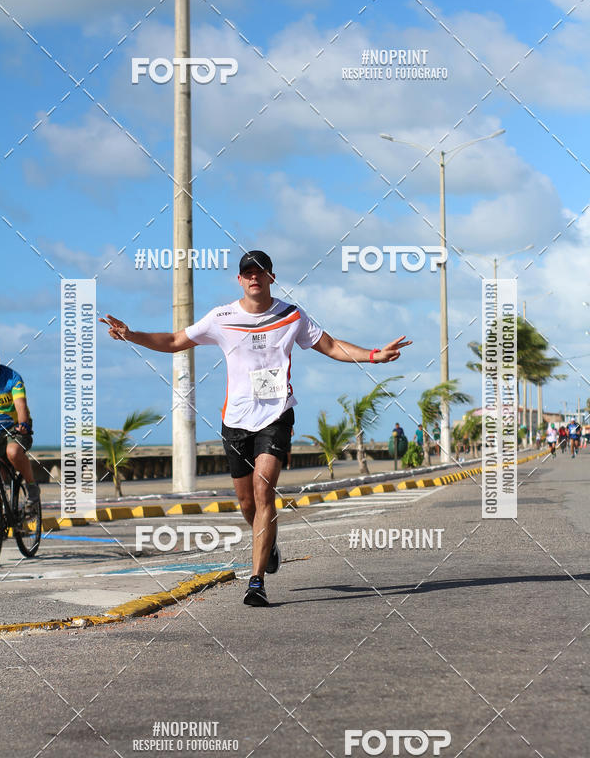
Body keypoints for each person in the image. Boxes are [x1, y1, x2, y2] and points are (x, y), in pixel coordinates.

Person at [101, 251, 412, 608]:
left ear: (271, 278)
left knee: (264, 490)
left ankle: (256, 581)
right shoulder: (221, 317)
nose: (254, 278)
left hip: (277, 415)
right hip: (235, 421)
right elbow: (174, 342)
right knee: (247, 503)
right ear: (240, 280)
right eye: (247, 273)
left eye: (260, 272)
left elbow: (329, 346)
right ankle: (268, 542)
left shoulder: (291, 315)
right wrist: (131, 335)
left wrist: (374, 355)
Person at [0, 345, 40, 512]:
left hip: (15, 428)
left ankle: (32, 488)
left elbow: (21, 406)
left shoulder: (12, 378)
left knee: (13, 452)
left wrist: (23, 424)